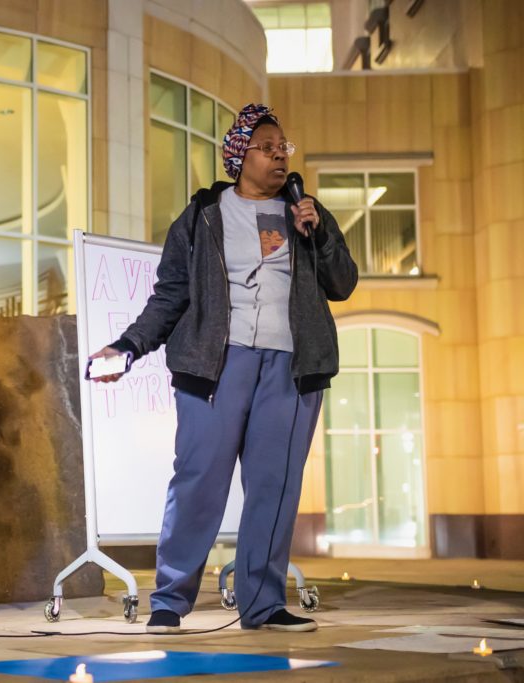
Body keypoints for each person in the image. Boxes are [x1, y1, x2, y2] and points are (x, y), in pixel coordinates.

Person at [90, 103, 357, 634]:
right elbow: (169, 296)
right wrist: (129, 346)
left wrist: (320, 231)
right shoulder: (202, 216)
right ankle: (170, 598)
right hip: (215, 364)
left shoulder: (305, 213)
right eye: (268, 146)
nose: (280, 154)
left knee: (275, 485)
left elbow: (343, 283)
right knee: (199, 481)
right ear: (239, 155)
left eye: (285, 147)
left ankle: (263, 604)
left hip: (291, 368)